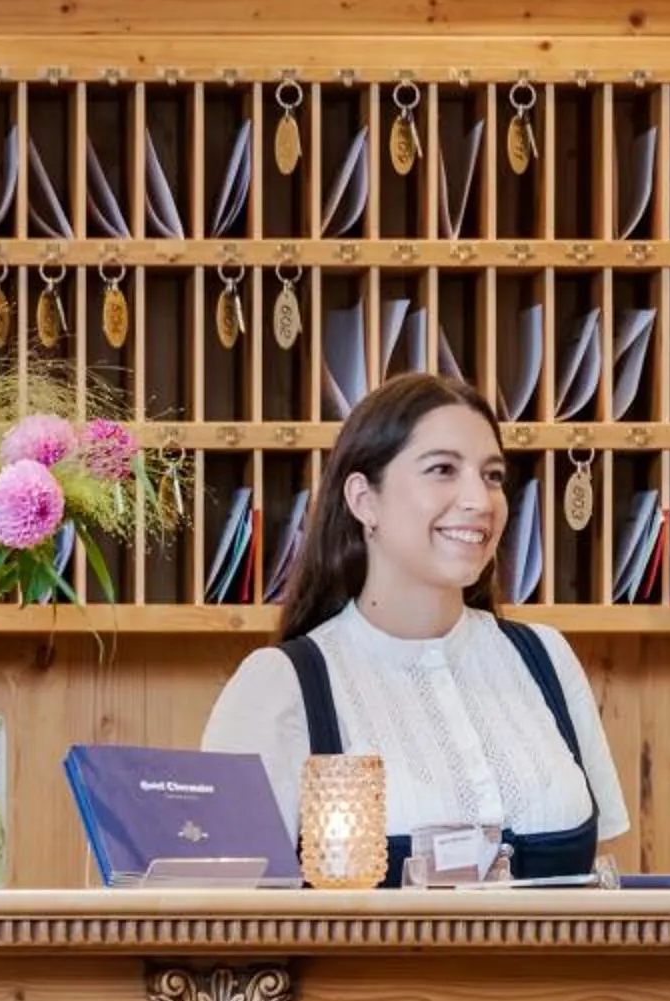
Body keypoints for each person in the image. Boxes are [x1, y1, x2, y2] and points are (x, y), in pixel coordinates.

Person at [204, 373, 629, 884]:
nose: (479, 499)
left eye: (492, 476)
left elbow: (604, 885)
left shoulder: (546, 658)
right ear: (364, 500)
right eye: (443, 470)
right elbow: (226, 914)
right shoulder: (280, 684)